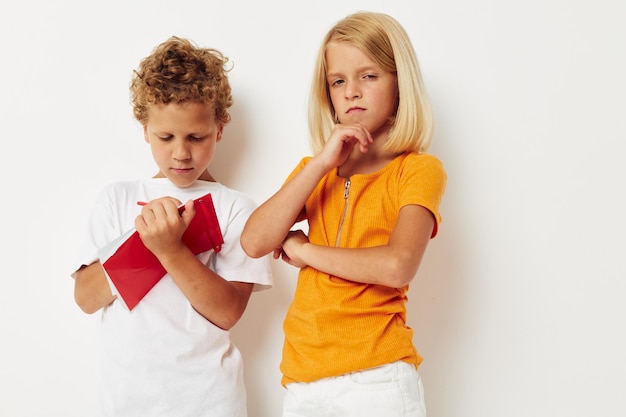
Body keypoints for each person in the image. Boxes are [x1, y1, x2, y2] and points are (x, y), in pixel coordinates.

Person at [240, 11, 446, 417]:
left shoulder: (417, 170)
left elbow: (398, 265)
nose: (351, 91)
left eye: (368, 76)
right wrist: (320, 164)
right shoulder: (314, 171)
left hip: (377, 378)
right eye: (338, 81)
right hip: (303, 381)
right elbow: (253, 242)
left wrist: (305, 252)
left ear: (400, 83)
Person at [72, 36, 272, 417]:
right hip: (126, 401)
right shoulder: (116, 198)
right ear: (145, 129)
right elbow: (86, 297)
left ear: (220, 129)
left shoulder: (236, 208)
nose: (181, 153)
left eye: (196, 137)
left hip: (209, 401)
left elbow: (227, 312)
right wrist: (145, 241)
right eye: (166, 137)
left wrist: (170, 249)